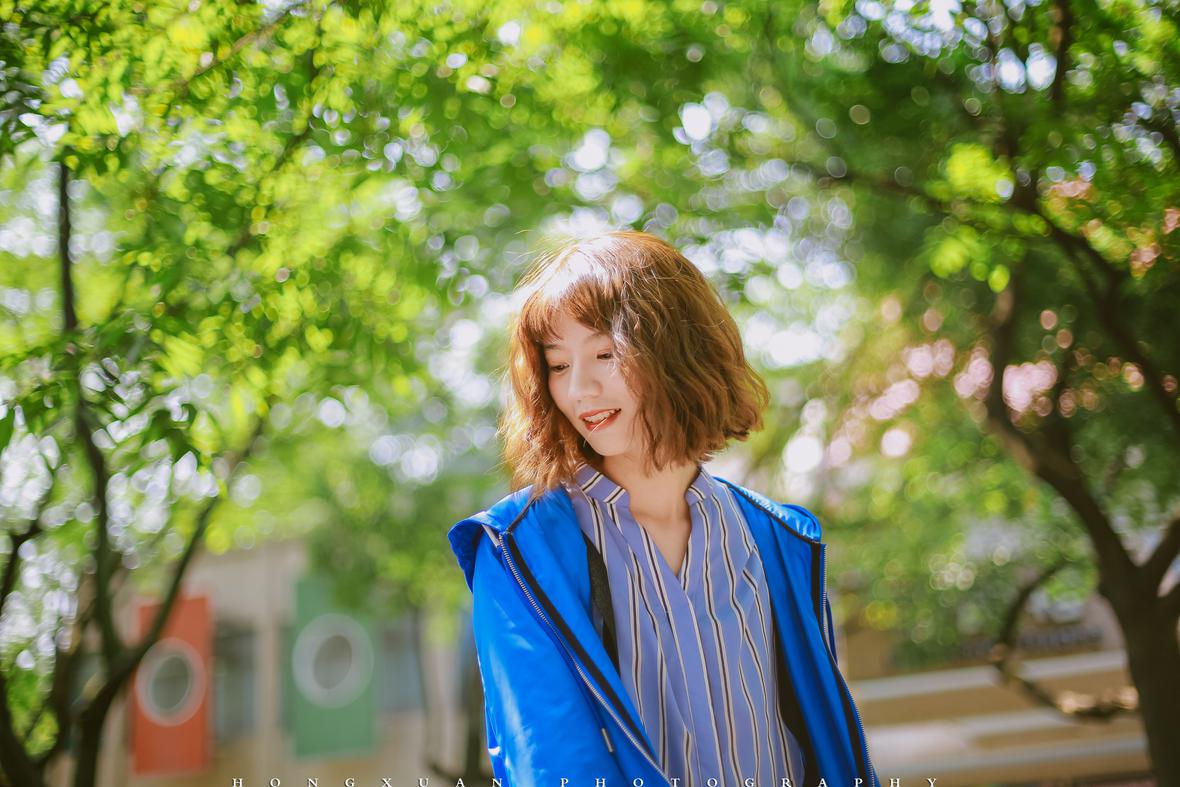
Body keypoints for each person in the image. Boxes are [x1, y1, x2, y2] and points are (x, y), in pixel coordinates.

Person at [448, 230, 879, 787]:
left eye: (604, 354)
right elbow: (551, 763)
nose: (580, 388)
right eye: (557, 365)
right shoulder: (518, 553)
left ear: (676, 351)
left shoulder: (777, 539)